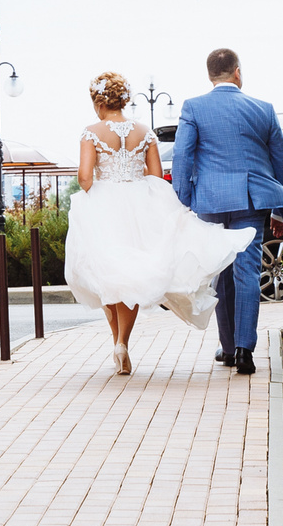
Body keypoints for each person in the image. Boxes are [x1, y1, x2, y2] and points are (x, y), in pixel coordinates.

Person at [64, 70, 257, 376]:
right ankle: (123, 342)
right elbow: (155, 175)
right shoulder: (145, 132)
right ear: (124, 99)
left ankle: (117, 342)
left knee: (105, 273)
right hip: (140, 205)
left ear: (98, 101)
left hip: (104, 205)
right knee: (134, 274)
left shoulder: (91, 132)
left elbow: (85, 178)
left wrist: (101, 185)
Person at [168, 48, 283, 375]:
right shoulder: (263, 109)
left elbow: (182, 158)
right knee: (247, 272)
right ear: (237, 72)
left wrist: (181, 202)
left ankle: (227, 348)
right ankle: (244, 351)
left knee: (221, 272)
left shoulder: (194, 107)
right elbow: (281, 163)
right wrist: (281, 212)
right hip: (250, 201)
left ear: (210, 75)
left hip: (210, 201)